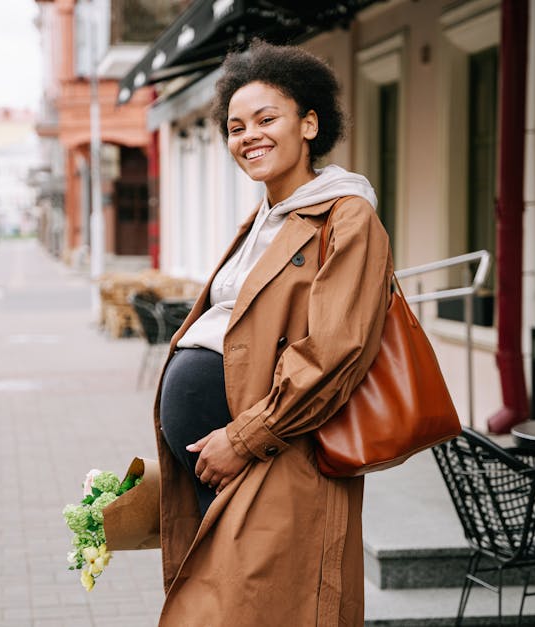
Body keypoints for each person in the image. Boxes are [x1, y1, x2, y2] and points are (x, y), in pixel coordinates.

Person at [154, 41, 392, 626]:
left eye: (266, 119)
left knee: (268, 609)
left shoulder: (346, 215)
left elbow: (338, 350)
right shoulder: (264, 218)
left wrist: (245, 437)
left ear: (310, 123)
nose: (248, 136)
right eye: (236, 127)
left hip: (277, 453)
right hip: (228, 456)